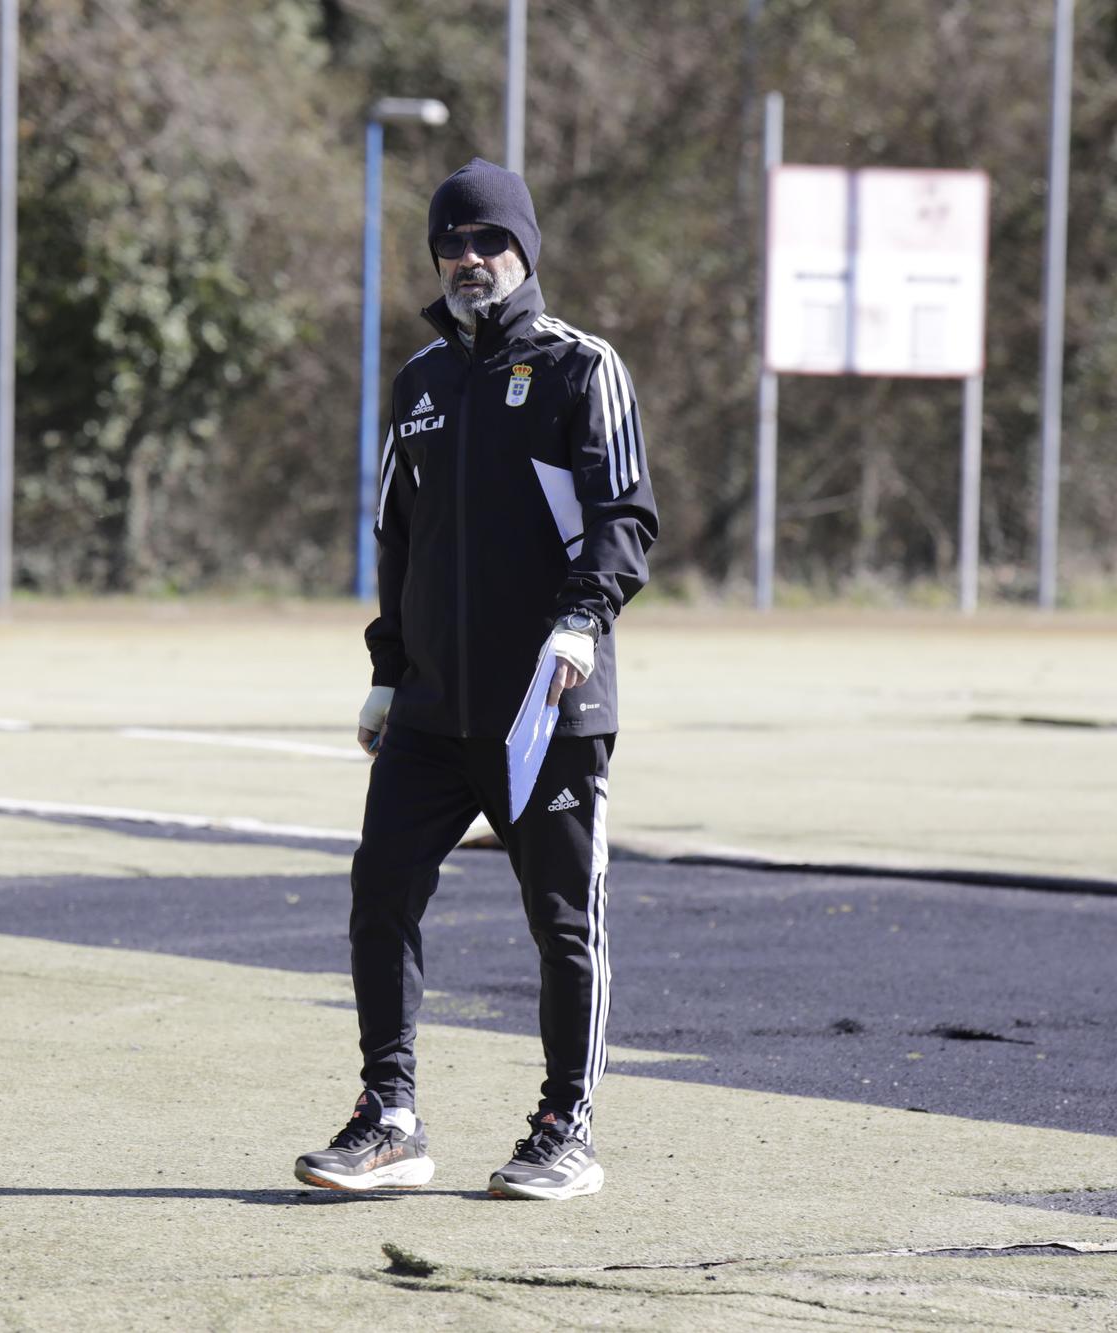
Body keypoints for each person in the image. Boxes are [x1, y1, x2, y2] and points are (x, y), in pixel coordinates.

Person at [293, 158, 657, 1201]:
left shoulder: (582, 369)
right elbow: (395, 541)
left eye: (487, 241)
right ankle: (390, 1117)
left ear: (524, 251)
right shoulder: (418, 384)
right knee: (380, 895)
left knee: (562, 920)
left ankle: (563, 1128)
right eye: (449, 244)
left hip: (547, 706)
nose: (466, 260)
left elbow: (624, 518)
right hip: (433, 707)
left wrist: (583, 619)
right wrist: (386, 673)